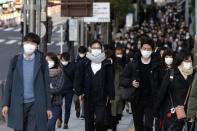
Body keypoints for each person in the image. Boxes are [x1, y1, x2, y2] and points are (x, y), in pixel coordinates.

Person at [2, 33, 52, 131]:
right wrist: (5, 104)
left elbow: (46, 86)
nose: (29, 45)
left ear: (37, 46)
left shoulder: (42, 62)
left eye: (33, 43)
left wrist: (48, 108)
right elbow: (9, 84)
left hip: (35, 103)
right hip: (18, 103)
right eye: (27, 42)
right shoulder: (15, 60)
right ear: (23, 43)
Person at [120, 37, 162, 131]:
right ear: (140, 49)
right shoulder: (133, 63)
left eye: (149, 49)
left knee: (148, 126)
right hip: (136, 99)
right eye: (144, 49)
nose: (146, 51)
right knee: (138, 125)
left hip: (151, 99)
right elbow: (122, 78)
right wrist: (131, 82)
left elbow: (161, 81)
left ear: (152, 50)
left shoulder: (157, 64)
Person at [75, 40, 115, 131]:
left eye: (98, 48)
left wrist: (111, 96)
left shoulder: (106, 63)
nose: (96, 50)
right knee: (88, 122)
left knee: (100, 121)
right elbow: (78, 78)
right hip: (88, 97)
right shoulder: (84, 62)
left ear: (101, 49)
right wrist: (80, 92)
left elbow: (110, 81)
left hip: (101, 97)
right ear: (90, 49)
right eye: (94, 48)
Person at [154, 50, 196, 131]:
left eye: (190, 61)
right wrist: (156, 111)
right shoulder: (171, 73)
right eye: (186, 61)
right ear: (180, 61)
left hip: (189, 113)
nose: (189, 63)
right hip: (172, 112)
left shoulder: (194, 74)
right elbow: (162, 93)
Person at [46, 52, 65, 131]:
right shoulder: (42, 72)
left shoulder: (60, 72)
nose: (48, 62)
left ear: (54, 61)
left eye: (50, 60)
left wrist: (46, 89)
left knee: (50, 125)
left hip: (55, 104)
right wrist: (50, 89)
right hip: (43, 104)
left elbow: (58, 88)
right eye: (46, 60)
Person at [57, 52, 75, 129]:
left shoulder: (73, 66)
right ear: (60, 59)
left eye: (66, 60)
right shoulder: (58, 66)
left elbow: (75, 77)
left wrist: (75, 87)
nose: (64, 61)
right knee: (58, 105)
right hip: (59, 89)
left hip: (69, 90)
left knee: (68, 107)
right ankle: (60, 119)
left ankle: (66, 123)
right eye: (62, 60)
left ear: (68, 59)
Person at [73, 46, 87, 119]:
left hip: (84, 82)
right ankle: (77, 109)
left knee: (84, 99)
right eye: (80, 53)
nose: (81, 54)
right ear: (78, 52)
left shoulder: (87, 60)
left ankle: (83, 113)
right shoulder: (75, 60)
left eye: (83, 53)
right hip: (76, 82)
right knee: (75, 99)